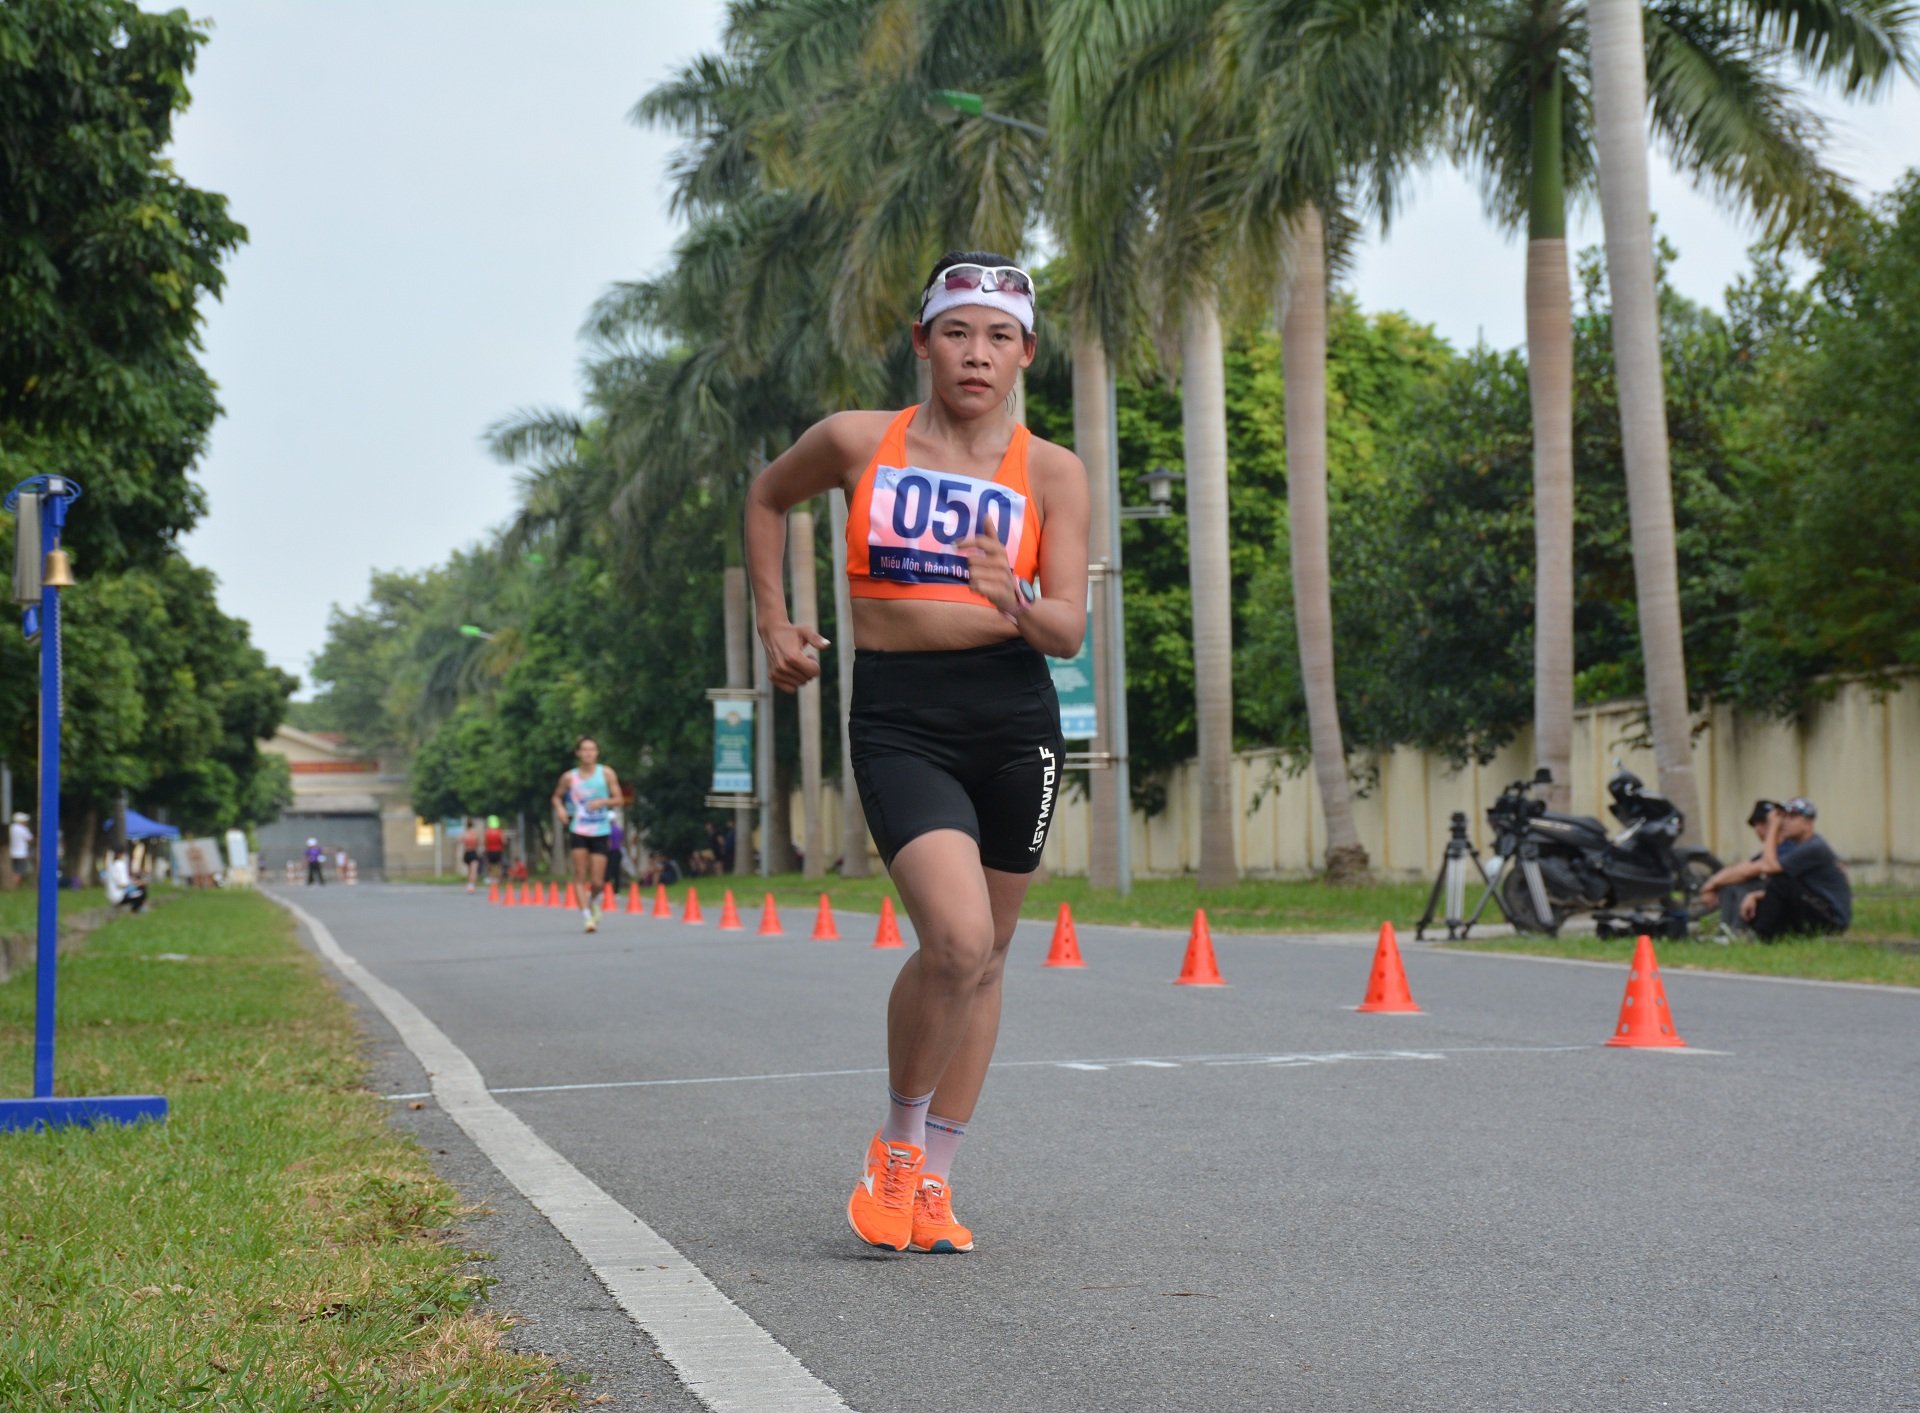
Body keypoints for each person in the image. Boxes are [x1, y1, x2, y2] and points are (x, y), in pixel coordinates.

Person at [745, 251, 1088, 1255]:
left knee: (988, 962)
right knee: (956, 939)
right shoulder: (860, 442)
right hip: (901, 717)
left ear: (1026, 353)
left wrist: (1012, 600)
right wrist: (778, 622)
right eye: (956, 332)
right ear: (922, 343)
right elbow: (769, 498)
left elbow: (1066, 627)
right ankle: (895, 1143)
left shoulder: (1050, 471)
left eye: (998, 337)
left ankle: (936, 1176)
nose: (976, 354)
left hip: (1014, 720)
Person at [1742, 797, 1851, 940]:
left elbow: (1769, 866)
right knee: (1774, 887)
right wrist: (1755, 895)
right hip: (1814, 908)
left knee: (1779, 880)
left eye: (1792, 817)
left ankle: (1762, 935)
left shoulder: (1813, 847)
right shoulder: (1798, 847)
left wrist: (1773, 827)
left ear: (1808, 822)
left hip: (1831, 919)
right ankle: (1763, 933)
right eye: (1783, 817)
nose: (1785, 822)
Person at [551, 736, 622, 934]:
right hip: (579, 830)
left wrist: (602, 803)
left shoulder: (606, 773)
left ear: (597, 753)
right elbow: (556, 797)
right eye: (584, 749)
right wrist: (561, 810)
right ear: (578, 753)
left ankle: (593, 901)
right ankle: (586, 918)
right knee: (580, 874)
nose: (588, 753)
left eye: (592, 749)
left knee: (598, 881)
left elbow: (619, 799)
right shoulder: (569, 777)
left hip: (600, 830)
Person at [1697, 800, 1783, 937]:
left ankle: (1738, 932)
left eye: (1765, 824)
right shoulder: (1770, 850)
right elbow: (1740, 868)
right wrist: (1711, 886)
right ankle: (1725, 931)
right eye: (1758, 824)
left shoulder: (1788, 847)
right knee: (1730, 885)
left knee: (1745, 887)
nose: (1759, 829)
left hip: (1784, 903)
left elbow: (1749, 870)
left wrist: (1710, 885)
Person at [104, 845, 148, 914]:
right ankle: (135, 912)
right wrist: (136, 884)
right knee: (142, 892)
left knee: (140, 888)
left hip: (112, 896)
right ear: (120, 854)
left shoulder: (111, 865)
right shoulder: (120, 865)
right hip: (119, 897)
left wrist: (134, 883)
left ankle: (140, 909)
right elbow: (122, 884)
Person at [460, 816, 483, 893]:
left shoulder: (465, 833)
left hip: (466, 853)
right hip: (473, 853)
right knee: (474, 871)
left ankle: (469, 884)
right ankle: (471, 885)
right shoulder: (475, 833)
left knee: (469, 870)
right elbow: (478, 842)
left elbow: (460, 840)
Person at [8, 812, 30, 890]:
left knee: (14, 871)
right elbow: (29, 839)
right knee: (19, 871)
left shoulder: (11, 828)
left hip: (12, 853)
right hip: (21, 853)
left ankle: (10, 886)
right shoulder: (23, 829)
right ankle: (14, 887)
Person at [483, 815, 507, 881]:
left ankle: (491, 878)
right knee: (498, 865)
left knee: (490, 865)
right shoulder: (500, 831)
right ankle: (497, 879)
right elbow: (504, 841)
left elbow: (485, 842)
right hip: (498, 850)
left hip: (490, 851)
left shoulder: (487, 832)